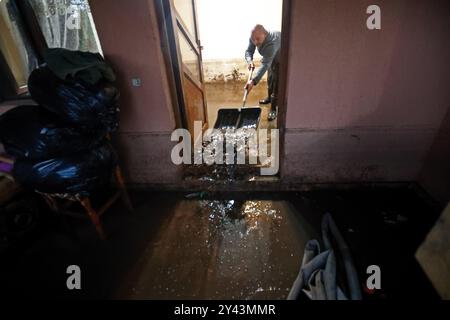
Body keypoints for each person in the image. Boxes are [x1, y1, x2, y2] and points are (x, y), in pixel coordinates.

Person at [244, 24, 281, 121]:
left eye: (258, 39)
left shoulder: (272, 43)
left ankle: (273, 110)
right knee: (270, 80)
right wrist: (249, 61)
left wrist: (253, 81)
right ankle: (269, 98)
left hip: (281, 60)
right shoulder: (254, 37)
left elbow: (265, 64)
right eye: (253, 39)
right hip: (270, 59)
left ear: (265, 34)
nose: (255, 42)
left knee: (276, 84)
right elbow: (248, 51)